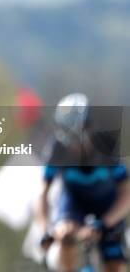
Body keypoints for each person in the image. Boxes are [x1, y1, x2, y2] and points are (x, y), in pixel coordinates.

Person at [36, 93, 130, 272]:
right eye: (67, 138)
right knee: (65, 235)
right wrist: (45, 230)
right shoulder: (56, 149)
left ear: (89, 128)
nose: (72, 146)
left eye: (76, 137)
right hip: (72, 202)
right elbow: (42, 193)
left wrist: (104, 223)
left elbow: (126, 192)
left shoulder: (107, 148)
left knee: (115, 265)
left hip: (107, 205)